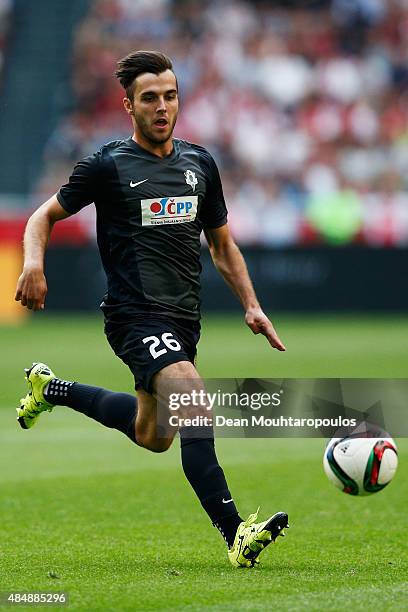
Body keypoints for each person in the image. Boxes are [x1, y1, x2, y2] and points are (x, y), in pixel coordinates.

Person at [15, 50, 288, 568]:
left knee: (154, 435)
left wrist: (251, 305)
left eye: (169, 96)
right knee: (191, 395)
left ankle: (50, 388)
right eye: (149, 99)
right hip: (132, 316)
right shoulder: (107, 165)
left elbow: (222, 245)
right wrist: (33, 265)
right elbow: (41, 217)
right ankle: (236, 534)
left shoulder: (199, 164)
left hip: (184, 320)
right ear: (129, 106)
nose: (162, 107)